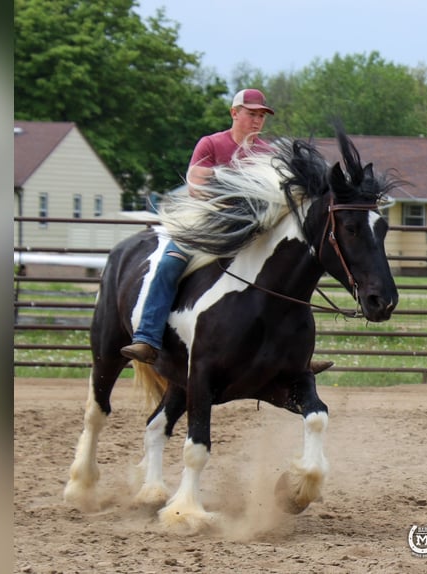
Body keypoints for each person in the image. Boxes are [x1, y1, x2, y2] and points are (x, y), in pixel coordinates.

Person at [121, 89, 333, 374]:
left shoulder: (266, 154)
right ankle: (147, 338)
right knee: (170, 263)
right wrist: (236, 182)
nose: (257, 120)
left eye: (261, 115)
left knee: (288, 271)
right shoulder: (210, 144)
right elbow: (197, 186)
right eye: (251, 113)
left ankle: (297, 357)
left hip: (252, 226)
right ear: (235, 113)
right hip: (207, 220)